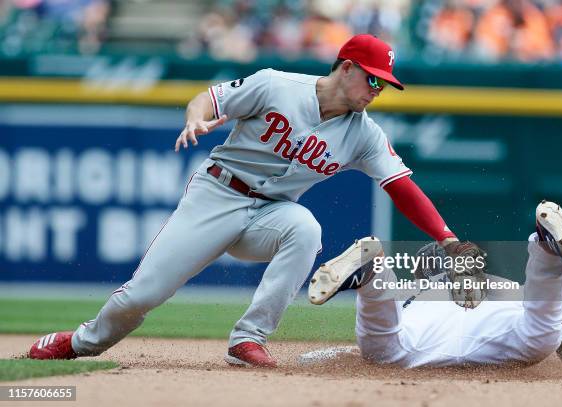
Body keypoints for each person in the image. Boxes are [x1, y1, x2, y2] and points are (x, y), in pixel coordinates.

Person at [28, 34, 478, 368]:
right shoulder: (276, 85)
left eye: (384, 85)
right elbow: (208, 98)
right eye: (372, 79)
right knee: (142, 295)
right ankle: (82, 342)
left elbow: (401, 186)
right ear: (345, 67)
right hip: (218, 194)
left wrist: (448, 237)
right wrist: (196, 120)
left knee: (306, 228)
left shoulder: (364, 134)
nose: (377, 90)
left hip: (271, 214)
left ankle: (248, 339)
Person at [308, 200, 562, 367]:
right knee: (544, 330)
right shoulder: (503, 288)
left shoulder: (414, 294)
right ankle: (546, 249)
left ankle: (373, 276)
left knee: (381, 348)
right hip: (502, 339)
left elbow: (342, 354)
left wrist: (319, 357)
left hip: (422, 344)